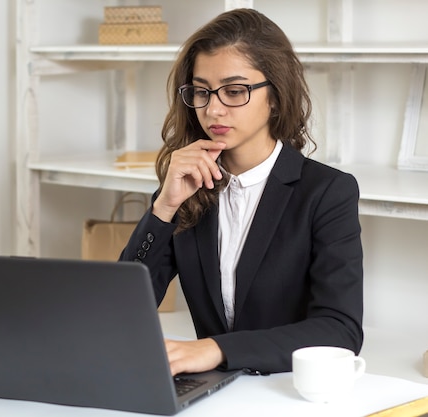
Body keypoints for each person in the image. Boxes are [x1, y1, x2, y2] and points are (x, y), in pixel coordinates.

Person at [119, 8, 363, 376]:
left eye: (234, 91)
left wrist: (217, 349)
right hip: (213, 392)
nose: (213, 109)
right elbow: (123, 308)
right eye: (202, 92)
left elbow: (340, 330)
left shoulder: (327, 192)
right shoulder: (190, 185)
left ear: (276, 96)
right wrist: (164, 209)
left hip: (287, 390)